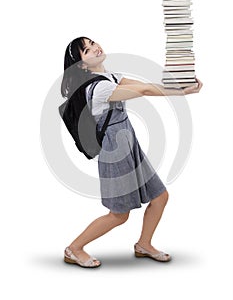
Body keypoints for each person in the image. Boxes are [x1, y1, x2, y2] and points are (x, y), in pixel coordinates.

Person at [61, 36, 203, 268]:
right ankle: (74, 249)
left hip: (130, 146)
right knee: (119, 214)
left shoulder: (110, 76)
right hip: (114, 153)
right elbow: (145, 90)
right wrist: (182, 92)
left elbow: (145, 85)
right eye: (86, 50)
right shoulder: (100, 88)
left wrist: (178, 84)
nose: (95, 47)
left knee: (160, 197)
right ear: (83, 65)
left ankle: (144, 244)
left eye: (93, 43)